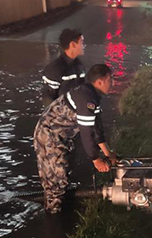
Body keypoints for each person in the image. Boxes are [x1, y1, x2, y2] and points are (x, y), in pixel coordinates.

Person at [34, 64, 117, 214]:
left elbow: (97, 128)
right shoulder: (86, 97)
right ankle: (53, 217)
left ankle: (64, 208)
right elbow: (86, 133)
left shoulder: (93, 95)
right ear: (100, 81)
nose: (113, 83)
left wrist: (108, 153)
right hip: (49, 136)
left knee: (65, 174)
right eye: (110, 79)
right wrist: (96, 160)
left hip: (62, 136)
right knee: (56, 181)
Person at [41, 28, 86, 105]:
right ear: (73, 44)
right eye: (81, 42)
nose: (84, 46)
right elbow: (48, 99)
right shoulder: (54, 69)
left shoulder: (79, 66)